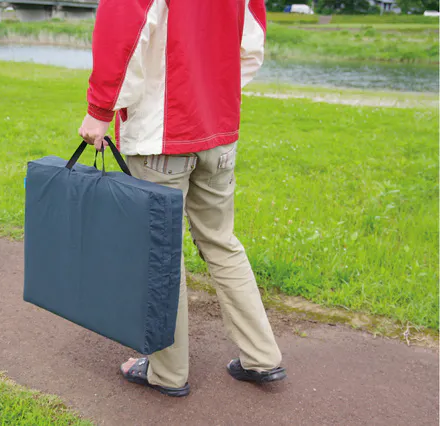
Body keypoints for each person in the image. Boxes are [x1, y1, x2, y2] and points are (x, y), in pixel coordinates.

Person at [78, 0, 286, 397]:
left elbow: (123, 30)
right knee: (221, 241)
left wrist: (100, 109)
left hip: (161, 135)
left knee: (159, 254)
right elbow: (252, 42)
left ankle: (167, 371)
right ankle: (262, 356)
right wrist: (213, 91)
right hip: (218, 128)